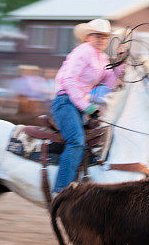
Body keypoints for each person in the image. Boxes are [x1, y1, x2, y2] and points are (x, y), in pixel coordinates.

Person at [51, 18, 126, 195]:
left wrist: (120, 63)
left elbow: (110, 83)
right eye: (97, 35)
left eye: (105, 37)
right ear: (88, 36)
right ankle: (62, 190)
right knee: (76, 141)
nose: (101, 39)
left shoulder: (103, 57)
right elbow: (68, 81)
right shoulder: (82, 52)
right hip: (65, 101)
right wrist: (87, 106)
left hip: (78, 105)